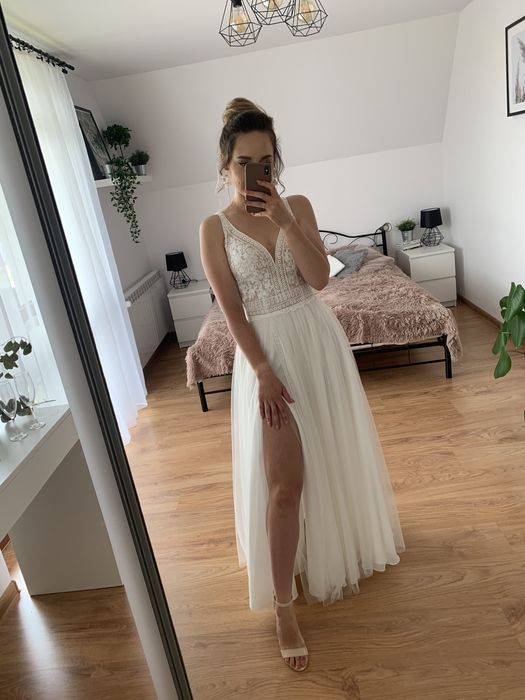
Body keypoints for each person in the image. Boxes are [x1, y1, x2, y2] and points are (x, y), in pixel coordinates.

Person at [199, 97, 406, 673]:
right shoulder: (213, 229)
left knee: (331, 457)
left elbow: (319, 280)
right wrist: (262, 371)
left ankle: (325, 550)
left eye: (265, 162)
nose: (254, 173)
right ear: (225, 165)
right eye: (243, 163)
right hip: (266, 360)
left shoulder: (300, 208)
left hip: (317, 345)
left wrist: (286, 221)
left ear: (277, 163)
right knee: (283, 486)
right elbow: (231, 311)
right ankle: (283, 608)